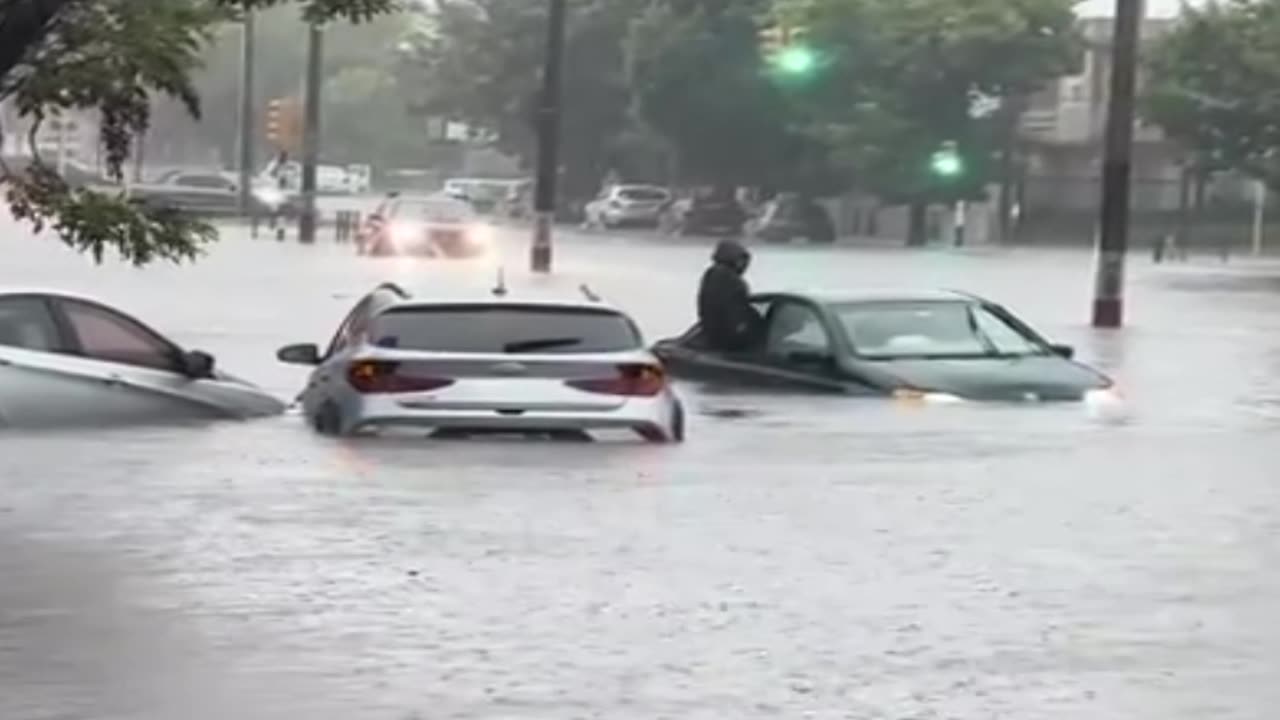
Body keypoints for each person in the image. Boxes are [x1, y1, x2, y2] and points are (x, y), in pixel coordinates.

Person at [697, 240, 764, 352]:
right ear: (732, 259)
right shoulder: (731, 280)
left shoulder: (711, 275)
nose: (744, 266)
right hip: (729, 342)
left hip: (713, 336)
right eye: (741, 260)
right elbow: (735, 311)